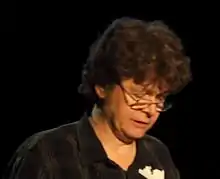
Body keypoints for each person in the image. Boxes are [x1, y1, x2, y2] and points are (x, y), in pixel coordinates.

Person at [3, 17, 192, 179]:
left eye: (159, 97)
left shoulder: (157, 155)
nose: (150, 110)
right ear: (103, 85)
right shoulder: (46, 154)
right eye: (139, 95)